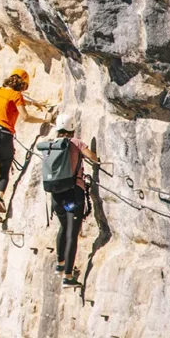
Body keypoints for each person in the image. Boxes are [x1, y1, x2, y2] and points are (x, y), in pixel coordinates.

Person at [0, 68, 51, 219]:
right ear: (22, 83)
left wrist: (33, 103)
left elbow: (12, 100)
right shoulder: (16, 95)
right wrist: (45, 120)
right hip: (4, 135)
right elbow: (25, 117)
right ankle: (0, 196)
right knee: (5, 170)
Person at [44, 114, 100, 287]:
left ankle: (60, 264)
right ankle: (68, 276)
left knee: (63, 227)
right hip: (72, 196)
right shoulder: (75, 142)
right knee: (72, 233)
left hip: (56, 197)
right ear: (72, 128)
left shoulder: (50, 145)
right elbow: (93, 157)